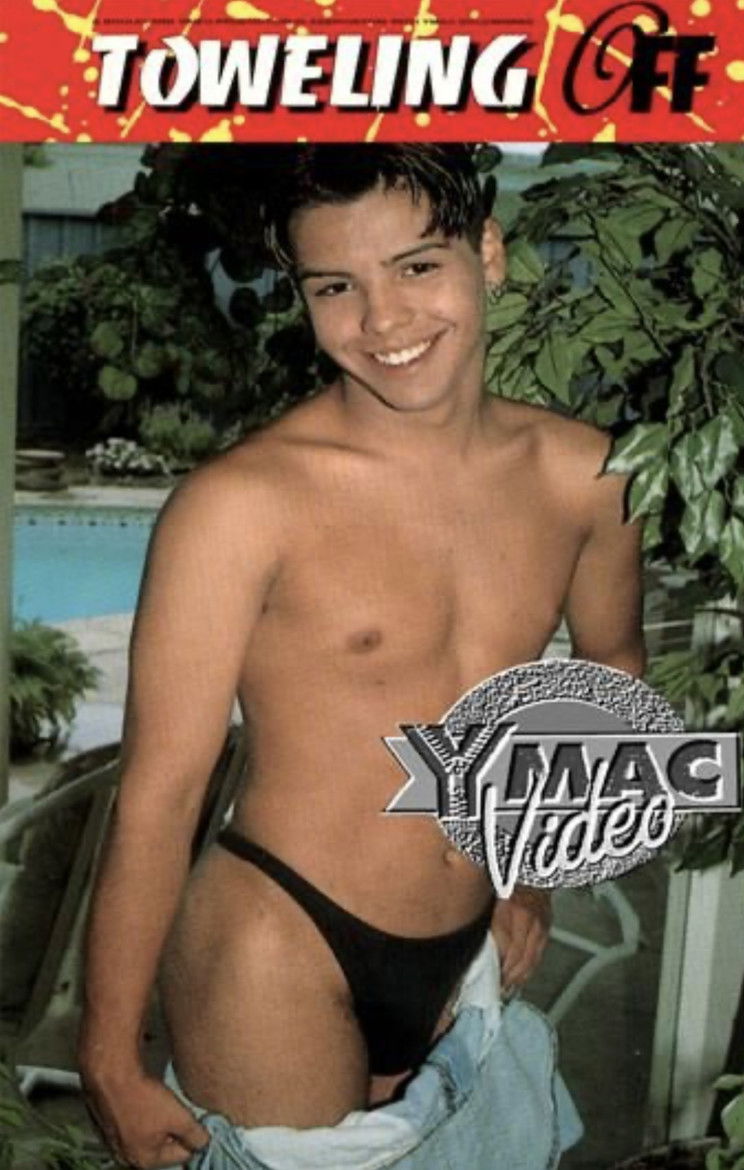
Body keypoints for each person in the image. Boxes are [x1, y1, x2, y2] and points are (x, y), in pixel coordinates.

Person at [78, 144, 645, 1170]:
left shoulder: (588, 478)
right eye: (336, 286)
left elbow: (608, 671)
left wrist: (532, 875)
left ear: (488, 253)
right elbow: (159, 795)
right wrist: (108, 1058)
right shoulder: (239, 508)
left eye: (417, 267)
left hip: (469, 938)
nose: (383, 321)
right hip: (279, 940)